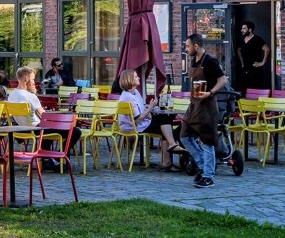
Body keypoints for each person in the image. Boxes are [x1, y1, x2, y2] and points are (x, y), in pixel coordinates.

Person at [178, 33, 228, 189]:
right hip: (194, 106)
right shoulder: (194, 61)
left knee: (207, 141)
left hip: (207, 108)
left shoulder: (210, 62)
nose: (186, 49)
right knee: (184, 136)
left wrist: (211, 92)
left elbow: (223, 80)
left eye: (187, 46)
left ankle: (208, 176)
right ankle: (202, 164)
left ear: (196, 46)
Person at [116, 69, 181, 172]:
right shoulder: (128, 97)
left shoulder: (135, 92)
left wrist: (152, 108)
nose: (138, 78)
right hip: (135, 126)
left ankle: (168, 161)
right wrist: (150, 108)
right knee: (164, 120)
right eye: (136, 76)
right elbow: (138, 119)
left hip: (139, 124)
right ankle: (172, 148)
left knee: (165, 124)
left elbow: (140, 108)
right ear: (129, 79)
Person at [237, 22, 271, 92]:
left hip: (255, 69)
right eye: (242, 28)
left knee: (255, 90)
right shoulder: (241, 39)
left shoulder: (257, 39)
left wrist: (262, 62)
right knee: (243, 89)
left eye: (244, 28)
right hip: (245, 69)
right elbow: (239, 50)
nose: (241, 30)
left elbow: (267, 49)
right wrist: (242, 62)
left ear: (250, 29)